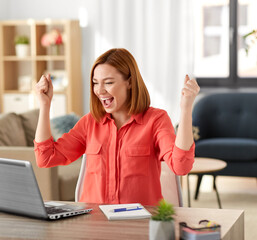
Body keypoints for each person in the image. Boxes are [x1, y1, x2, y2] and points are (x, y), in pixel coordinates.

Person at [34, 48, 200, 206]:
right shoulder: (90, 123)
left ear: (129, 82)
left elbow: (181, 166)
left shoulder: (156, 120)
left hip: (139, 223)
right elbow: (46, 158)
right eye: (95, 83)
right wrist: (45, 105)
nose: (99, 91)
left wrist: (186, 109)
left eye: (108, 82)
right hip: (94, 223)